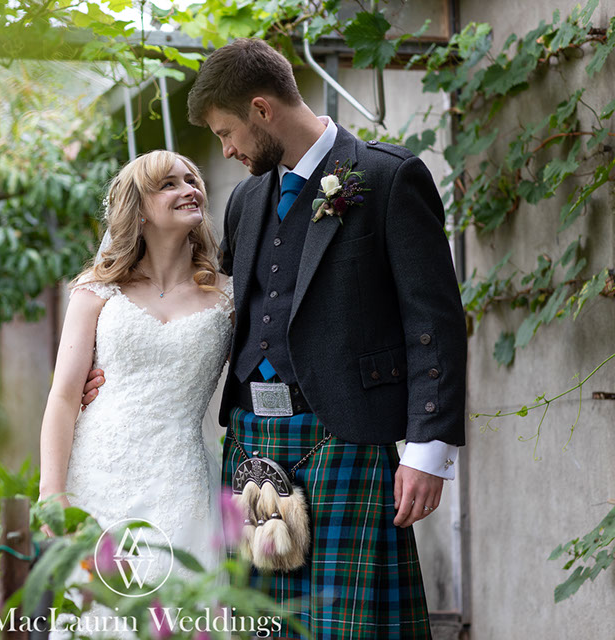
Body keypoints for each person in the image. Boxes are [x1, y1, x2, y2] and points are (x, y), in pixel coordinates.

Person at [83, 38, 467, 639]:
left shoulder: (388, 177)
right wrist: (115, 361)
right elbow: (215, 305)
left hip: (344, 437)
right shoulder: (247, 199)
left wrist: (429, 449)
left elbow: (434, 320)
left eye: (226, 132)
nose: (227, 150)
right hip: (250, 444)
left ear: (262, 109)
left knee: (348, 626)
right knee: (257, 626)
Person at [38, 150, 233, 583]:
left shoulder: (228, 298)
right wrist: (51, 493)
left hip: (181, 478)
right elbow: (65, 396)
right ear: (138, 209)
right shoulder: (96, 290)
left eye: (191, 179)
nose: (189, 189)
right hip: (97, 471)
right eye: (168, 184)